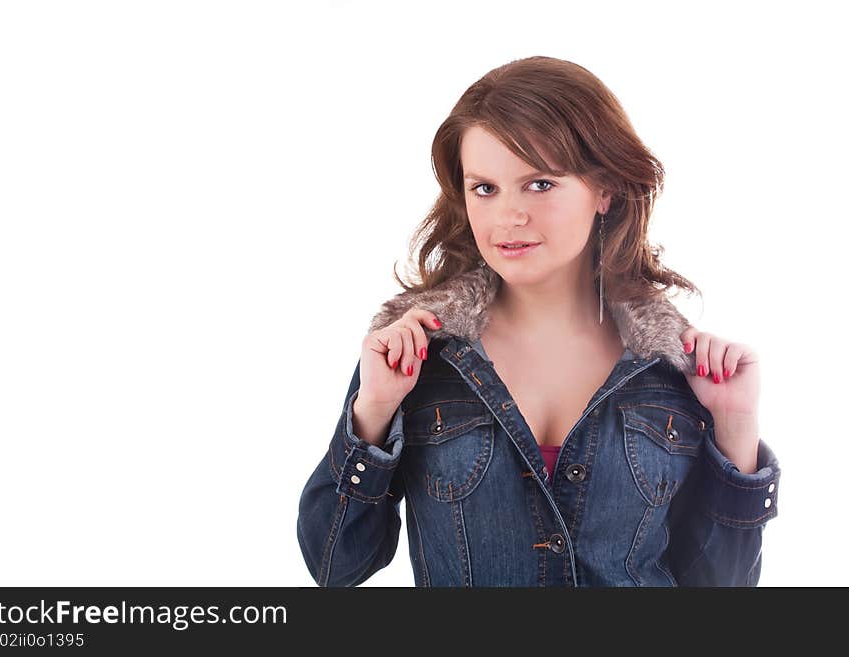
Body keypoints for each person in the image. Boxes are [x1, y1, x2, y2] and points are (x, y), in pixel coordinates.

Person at [296, 56, 781, 587]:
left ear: (605, 191)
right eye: (485, 188)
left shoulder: (673, 370)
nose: (509, 216)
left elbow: (721, 590)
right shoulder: (418, 354)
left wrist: (735, 429)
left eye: (540, 184)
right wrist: (374, 412)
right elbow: (333, 564)